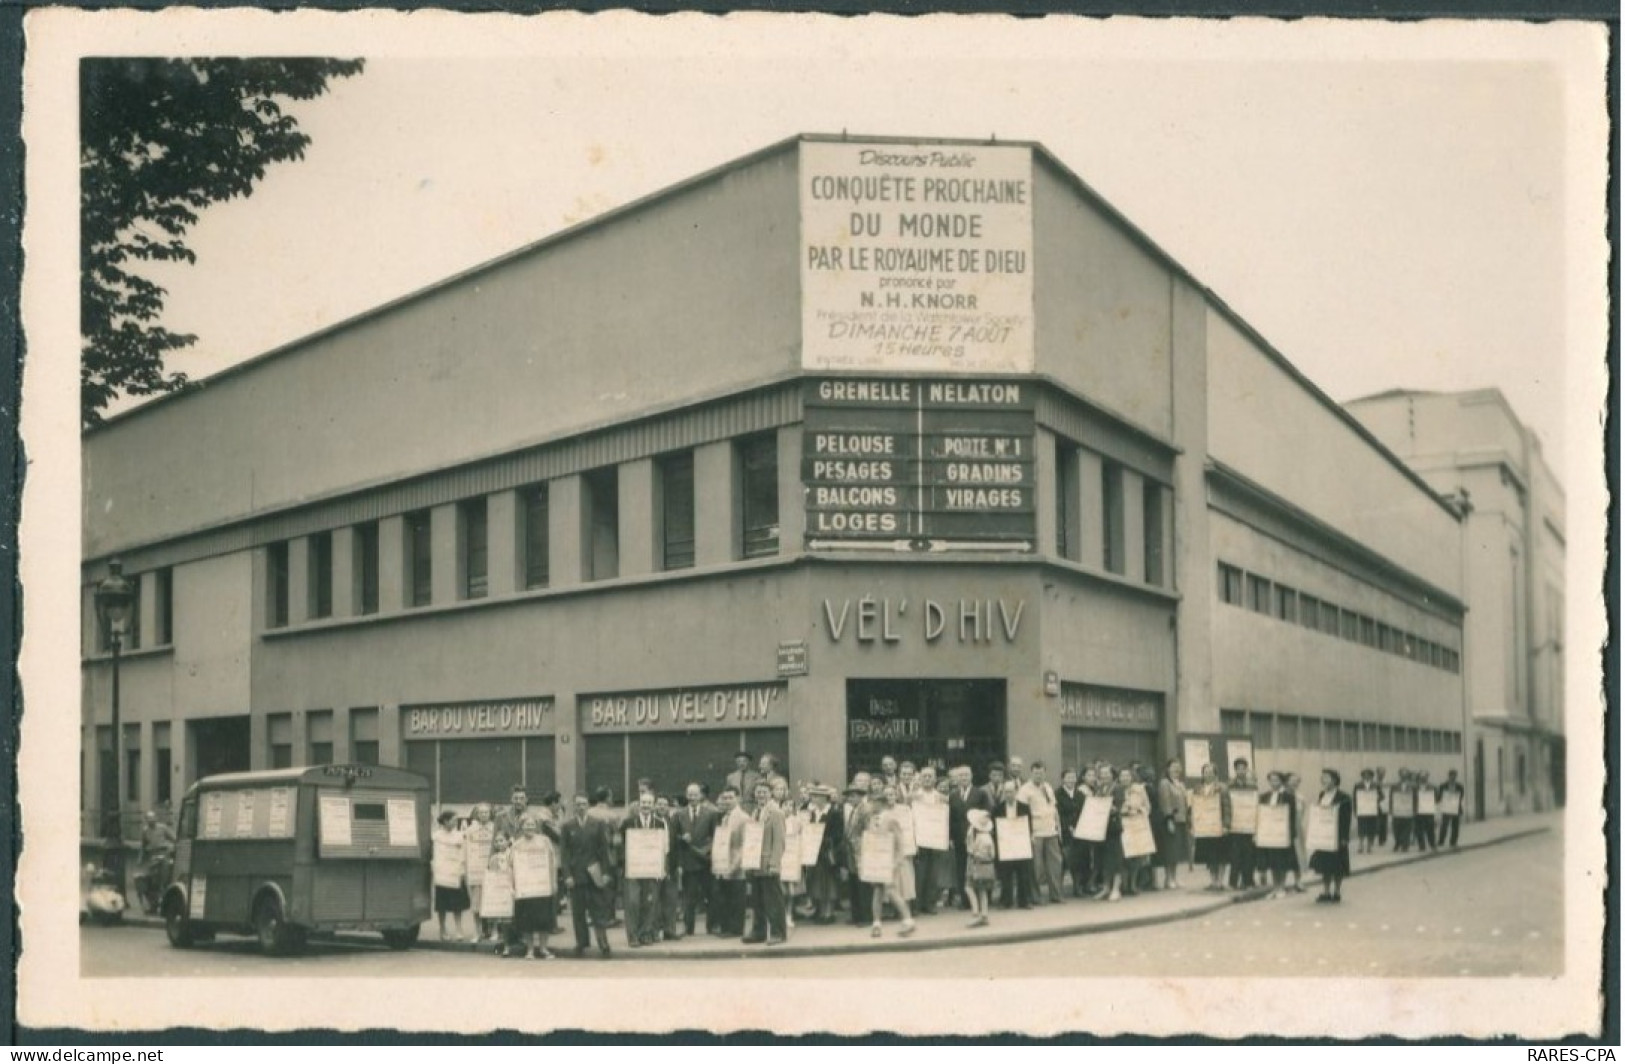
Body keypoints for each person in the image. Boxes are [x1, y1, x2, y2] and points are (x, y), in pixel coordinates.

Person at [560, 792, 613, 957]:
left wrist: (605, 872)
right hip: (576, 876)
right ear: (573, 806)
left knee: (598, 910)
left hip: (594, 874)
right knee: (578, 912)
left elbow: (604, 851)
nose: (581, 807)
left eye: (583, 804)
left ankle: (603, 943)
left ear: (588, 805)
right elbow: (565, 854)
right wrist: (567, 875)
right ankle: (581, 943)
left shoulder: (597, 824)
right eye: (578, 804)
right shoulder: (567, 826)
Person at [865, 784, 916, 938]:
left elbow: (900, 842)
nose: (870, 806)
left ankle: (908, 920)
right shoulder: (871, 820)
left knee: (891, 890)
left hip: (890, 860)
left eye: (872, 803)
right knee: (878, 891)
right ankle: (876, 923)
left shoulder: (891, 819)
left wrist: (897, 861)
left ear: (880, 803)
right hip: (876, 861)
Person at [741, 780, 787, 945]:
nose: (761, 795)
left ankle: (778, 932)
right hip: (755, 862)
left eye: (764, 792)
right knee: (757, 899)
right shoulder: (755, 812)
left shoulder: (776, 813)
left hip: (768, 863)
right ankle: (758, 931)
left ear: (771, 794)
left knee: (773, 899)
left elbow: (779, 841)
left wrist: (775, 863)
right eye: (758, 792)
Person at [620, 791, 667, 947]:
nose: (645, 805)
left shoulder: (659, 824)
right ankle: (633, 936)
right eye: (643, 802)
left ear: (653, 806)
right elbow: (620, 846)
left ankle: (645, 933)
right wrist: (624, 864)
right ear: (639, 805)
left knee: (650, 901)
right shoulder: (628, 823)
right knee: (633, 902)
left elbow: (663, 848)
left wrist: (662, 867)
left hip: (652, 869)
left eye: (648, 803)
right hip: (633, 869)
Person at [510, 815, 558, 959]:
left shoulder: (545, 841)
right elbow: (512, 867)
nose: (529, 827)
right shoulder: (516, 844)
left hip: (542, 886)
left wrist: (553, 881)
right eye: (526, 825)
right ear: (521, 826)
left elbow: (552, 863)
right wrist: (513, 885)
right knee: (527, 921)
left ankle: (543, 948)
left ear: (536, 826)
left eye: (532, 825)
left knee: (544, 919)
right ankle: (530, 949)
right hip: (525, 888)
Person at [673, 781, 718, 936]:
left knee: (711, 895)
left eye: (695, 794)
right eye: (690, 794)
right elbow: (673, 838)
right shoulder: (679, 815)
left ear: (701, 796)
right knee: (689, 897)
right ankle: (688, 928)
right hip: (688, 861)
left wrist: (706, 851)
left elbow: (716, 836)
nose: (692, 797)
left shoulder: (711, 813)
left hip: (706, 861)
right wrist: (681, 838)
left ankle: (711, 926)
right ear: (686, 796)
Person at [1019, 761, 1065, 904]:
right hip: (1036, 833)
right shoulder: (1024, 790)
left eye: (1041, 772)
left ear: (1045, 773)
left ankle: (1056, 895)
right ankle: (1035, 897)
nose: (1039, 775)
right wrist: (1028, 833)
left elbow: (1054, 809)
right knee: (1036, 867)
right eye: (1036, 773)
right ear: (1031, 773)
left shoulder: (1048, 787)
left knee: (1055, 865)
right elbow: (1022, 814)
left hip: (1051, 831)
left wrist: (1058, 828)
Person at [801, 784, 844, 924]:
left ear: (824, 798)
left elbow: (838, 834)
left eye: (816, 796)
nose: (813, 798)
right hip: (814, 852)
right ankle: (820, 910)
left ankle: (828, 912)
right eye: (813, 796)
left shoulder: (834, 812)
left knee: (829, 882)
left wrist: (824, 840)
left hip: (827, 852)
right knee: (816, 882)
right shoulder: (812, 813)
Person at [710, 786, 750, 937]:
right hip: (722, 863)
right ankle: (726, 927)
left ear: (738, 798)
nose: (727, 801)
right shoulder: (725, 816)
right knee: (725, 897)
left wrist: (734, 866)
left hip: (735, 864)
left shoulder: (743, 818)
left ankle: (735, 929)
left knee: (736, 898)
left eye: (730, 798)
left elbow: (743, 845)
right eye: (725, 798)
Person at [1309, 769, 1353, 903]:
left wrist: (1344, 838)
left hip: (1337, 835)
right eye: (1322, 778)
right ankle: (1326, 891)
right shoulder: (1322, 794)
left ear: (1334, 780)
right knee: (1325, 865)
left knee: (1337, 865)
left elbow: (1346, 819)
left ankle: (1337, 892)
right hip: (1324, 836)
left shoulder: (1344, 797)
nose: (1323, 780)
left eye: (1326, 778)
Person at [991, 779, 1034, 909]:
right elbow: (994, 827)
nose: (1008, 794)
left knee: (1023, 873)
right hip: (1005, 845)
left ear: (1016, 792)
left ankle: (1024, 901)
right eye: (1006, 792)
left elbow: (1029, 825)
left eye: (1011, 791)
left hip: (1021, 845)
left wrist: (1029, 837)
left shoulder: (1024, 807)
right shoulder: (997, 808)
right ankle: (1006, 901)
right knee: (1005, 874)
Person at [432, 809, 473, 942]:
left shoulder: (460, 836)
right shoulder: (436, 836)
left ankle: (459, 929)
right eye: (453, 820)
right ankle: (442, 929)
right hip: (442, 874)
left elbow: (463, 855)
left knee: (458, 905)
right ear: (445, 821)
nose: (455, 822)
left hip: (455, 873)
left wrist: (462, 872)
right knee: (442, 905)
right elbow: (435, 855)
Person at [1256, 771, 1298, 899]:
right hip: (1269, 834)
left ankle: (1282, 887)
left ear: (1281, 781)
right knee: (1272, 862)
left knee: (1282, 862)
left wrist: (1291, 834)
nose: (1274, 783)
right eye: (1271, 780)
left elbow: (1292, 816)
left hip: (1282, 834)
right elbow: (1260, 815)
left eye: (1277, 780)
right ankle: (1275, 887)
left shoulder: (1289, 797)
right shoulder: (1264, 797)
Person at [841, 777, 874, 925]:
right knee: (854, 884)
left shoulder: (865, 809)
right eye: (849, 795)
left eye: (853, 795)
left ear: (861, 796)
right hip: (853, 852)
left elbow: (869, 831)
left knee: (863, 886)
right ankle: (857, 915)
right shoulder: (855, 809)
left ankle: (866, 916)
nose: (850, 798)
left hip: (862, 851)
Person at [1192, 764, 1229, 890]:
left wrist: (1226, 825)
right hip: (1204, 828)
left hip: (1217, 826)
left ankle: (1220, 881)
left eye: (1210, 772)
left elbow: (1227, 807)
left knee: (1220, 855)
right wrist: (1193, 824)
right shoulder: (1198, 789)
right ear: (1202, 774)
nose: (1208, 774)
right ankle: (1213, 880)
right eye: (1205, 772)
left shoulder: (1222, 788)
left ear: (1215, 774)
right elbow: (1194, 808)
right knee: (1210, 856)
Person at [772, 778, 803, 932]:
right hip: (780, 856)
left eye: (791, 805)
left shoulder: (797, 821)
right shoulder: (777, 818)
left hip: (792, 858)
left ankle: (789, 914)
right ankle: (780, 914)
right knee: (780, 889)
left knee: (791, 890)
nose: (789, 808)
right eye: (786, 805)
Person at [654, 794, 684, 941]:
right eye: (659, 804)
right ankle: (655, 930)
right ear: (655, 806)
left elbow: (676, 846)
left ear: (668, 807)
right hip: (654, 864)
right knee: (655, 899)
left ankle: (669, 930)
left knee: (670, 898)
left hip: (670, 863)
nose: (661, 807)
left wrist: (678, 865)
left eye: (664, 804)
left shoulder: (672, 822)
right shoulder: (650, 822)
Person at [1226, 759, 1259, 890]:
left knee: (1249, 854)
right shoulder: (1229, 785)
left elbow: (1255, 804)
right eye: (1238, 768)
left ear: (1247, 769)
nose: (1241, 770)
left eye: (1243, 768)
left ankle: (1248, 881)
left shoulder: (1252, 786)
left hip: (1248, 824)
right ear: (1235, 770)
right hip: (1235, 824)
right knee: (1235, 855)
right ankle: (1233, 882)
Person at [1157, 759, 1190, 891]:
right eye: (1173, 767)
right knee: (1170, 852)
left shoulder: (1181, 785)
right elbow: (1165, 802)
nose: (1176, 770)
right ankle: (1168, 878)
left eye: (1178, 767)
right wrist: (1169, 819)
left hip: (1181, 820)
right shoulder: (1164, 783)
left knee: (1176, 852)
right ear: (1168, 769)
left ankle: (1174, 877)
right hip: (1171, 821)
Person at [135, 810, 175, 914]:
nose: (151, 820)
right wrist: (140, 858)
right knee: (152, 882)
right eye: (148, 819)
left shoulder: (162, 828)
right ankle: (154, 905)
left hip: (164, 853)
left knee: (164, 879)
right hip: (153, 855)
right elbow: (143, 846)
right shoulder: (145, 831)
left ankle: (166, 905)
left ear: (156, 818)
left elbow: (174, 838)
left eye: (152, 818)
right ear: (146, 820)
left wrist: (172, 848)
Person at [947, 765, 976, 908]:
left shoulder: (979, 793)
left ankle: (978, 899)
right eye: (961, 776)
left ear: (971, 776)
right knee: (961, 868)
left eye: (966, 775)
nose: (963, 778)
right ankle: (965, 900)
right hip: (958, 839)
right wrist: (950, 838)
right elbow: (949, 819)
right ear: (957, 779)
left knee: (975, 868)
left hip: (975, 838)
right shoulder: (952, 796)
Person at [963, 808, 997, 926]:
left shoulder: (972, 834)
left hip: (974, 863)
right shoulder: (988, 837)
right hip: (987, 865)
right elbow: (993, 854)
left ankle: (975, 912)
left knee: (969, 887)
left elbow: (970, 850)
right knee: (982, 890)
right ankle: (984, 914)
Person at [1352, 769, 1383, 855]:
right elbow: (1355, 798)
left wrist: (1374, 800)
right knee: (1361, 827)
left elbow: (1382, 796)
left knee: (1371, 828)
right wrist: (1355, 809)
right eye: (1364, 775)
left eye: (1368, 775)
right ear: (1362, 776)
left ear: (1371, 776)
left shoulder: (1375, 785)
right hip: (1362, 810)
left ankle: (1369, 846)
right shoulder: (1358, 785)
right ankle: (1361, 845)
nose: (1366, 777)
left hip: (1372, 810)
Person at [1437, 769, 1466, 848]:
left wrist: (1454, 801)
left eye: (1454, 776)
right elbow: (1439, 797)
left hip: (1455, 808)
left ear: (1456, 777)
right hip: (1446, 808)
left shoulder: (1459, 786)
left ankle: (1453, 841)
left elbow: (1461, 796)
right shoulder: (1443, 786)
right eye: (1451, 776)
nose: (1452, 777)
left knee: (1455, 826)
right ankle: (1441, 841)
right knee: (1444, 826)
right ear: (1449, 776)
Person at [1390, 769, 1416, 852]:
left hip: (1408, 811)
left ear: (1407, 776)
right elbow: (1391, 798)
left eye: (1405, 775)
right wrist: (1391, 808)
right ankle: (1398, 842)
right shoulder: (1394, 786)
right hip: (1397, 811)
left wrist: (1415, 809)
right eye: (1402, 775)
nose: (1403, 777)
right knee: (1396, 828)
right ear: (1400, 776)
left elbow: (1415, 798)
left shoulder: (1413, 786)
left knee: (1407, 828)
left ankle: (1405, 845)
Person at [1414, 770, 1438, 852]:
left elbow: (1437, 798)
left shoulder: (1432, 787)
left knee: (1430, 829)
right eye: (1421, 777)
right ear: (1419, 778)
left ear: (1427, 778)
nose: (1423, 779)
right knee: (1419, 829)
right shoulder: (1415, 788)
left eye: (1424, 777)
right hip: (1418, 811)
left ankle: (1432, 844)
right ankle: (1422, 846)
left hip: (1428, 811)